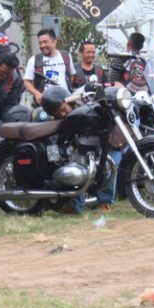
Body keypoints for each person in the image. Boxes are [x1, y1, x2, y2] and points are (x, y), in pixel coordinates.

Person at [40, 86, 120, 214]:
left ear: (68, 101)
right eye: (58, 114)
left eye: (63, 109)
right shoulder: (61, 122)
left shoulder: (86, 105)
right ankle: (75, 206)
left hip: (95, 148)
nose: (62, 114)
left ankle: (105, 203)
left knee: (107, 165)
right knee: (74, 168)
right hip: (76, 153)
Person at [22, 28, 75, 106]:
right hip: (45, 102)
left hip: (65, 100)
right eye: (40, 43)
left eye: (45, 42)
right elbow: (26, 82)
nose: (42, 46)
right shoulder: (34, 60)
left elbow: (71, 75)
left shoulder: (66, 56)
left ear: (54, 42)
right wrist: (36, 93)